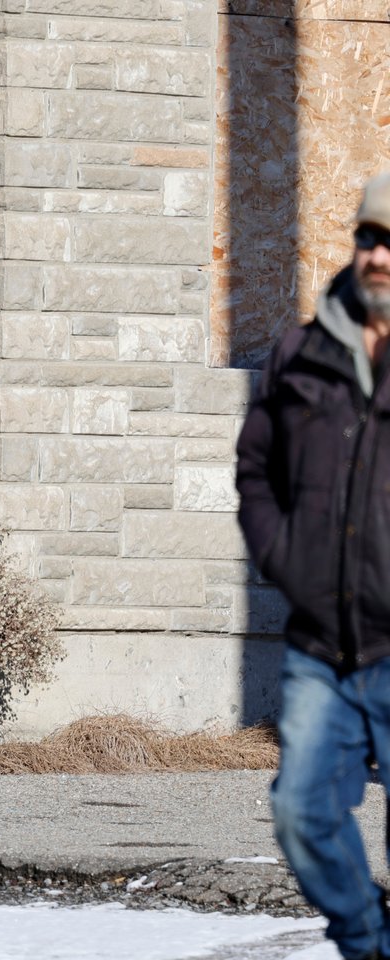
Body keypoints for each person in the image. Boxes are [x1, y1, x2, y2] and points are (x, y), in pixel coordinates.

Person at [237, 171, 390, 960]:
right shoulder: (300, 351)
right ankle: (368, 944)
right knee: (301, 811)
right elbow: (256, 471)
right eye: (372, 238)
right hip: (320, 642)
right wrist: (282, 557)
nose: (381, 256)